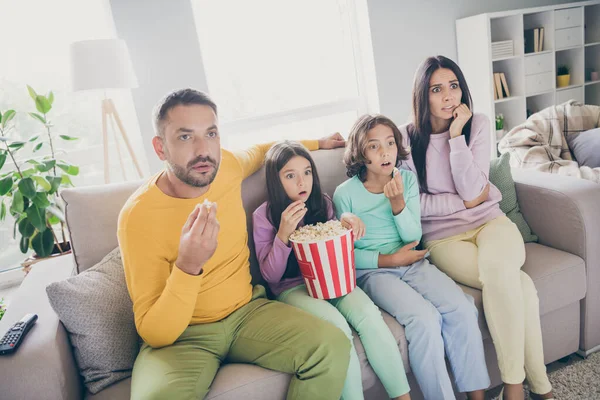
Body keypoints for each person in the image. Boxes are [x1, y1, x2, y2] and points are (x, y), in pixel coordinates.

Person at [118, 88, 351, 400]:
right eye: (186, 137)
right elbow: (154, 332)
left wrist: (317, 143)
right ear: (160, 147)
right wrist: (188, 266)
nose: (203, 149)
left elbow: (260, 151)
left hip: (247, 312)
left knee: (331, 346)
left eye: (211, 133)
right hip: (184, 338)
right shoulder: (137, 217)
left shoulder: (225, 165)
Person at [399, 55, 554, 400]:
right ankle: (541, 389)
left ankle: (513, 389)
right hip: (444, 238)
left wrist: (456, 137)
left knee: (502, 275)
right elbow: (416, 205)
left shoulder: (477, 124)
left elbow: (474, 190)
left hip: (491, 223)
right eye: (436, 89)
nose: (448, 96)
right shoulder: (406, 139)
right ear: (421, 96)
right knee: (520, 285)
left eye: (453, 86)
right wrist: (467, 201)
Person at [333, 114, 490, 400]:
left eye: (390, 143)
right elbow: (345, 256)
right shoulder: (345, 195)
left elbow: (412, 237)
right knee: (424, 319)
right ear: (360, 153)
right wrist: (389, 260)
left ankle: (477, 397)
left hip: (414, 263)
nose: (385, 152)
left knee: (462, 308)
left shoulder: (405, 180)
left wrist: (397, 204)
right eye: (374, 146)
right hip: (375, 272)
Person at [253, 140, 411, 400]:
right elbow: (271, 276)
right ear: (275, 180)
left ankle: (403, 397)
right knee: (338, 328)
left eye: (306, 172)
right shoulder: (264, 215)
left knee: (369, 315)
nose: (302, 182)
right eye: (290, 176)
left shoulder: (322, 203)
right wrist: (283, 235)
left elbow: (336, 240)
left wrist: (346, 220)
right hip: (291, 288)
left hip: (331, 278)